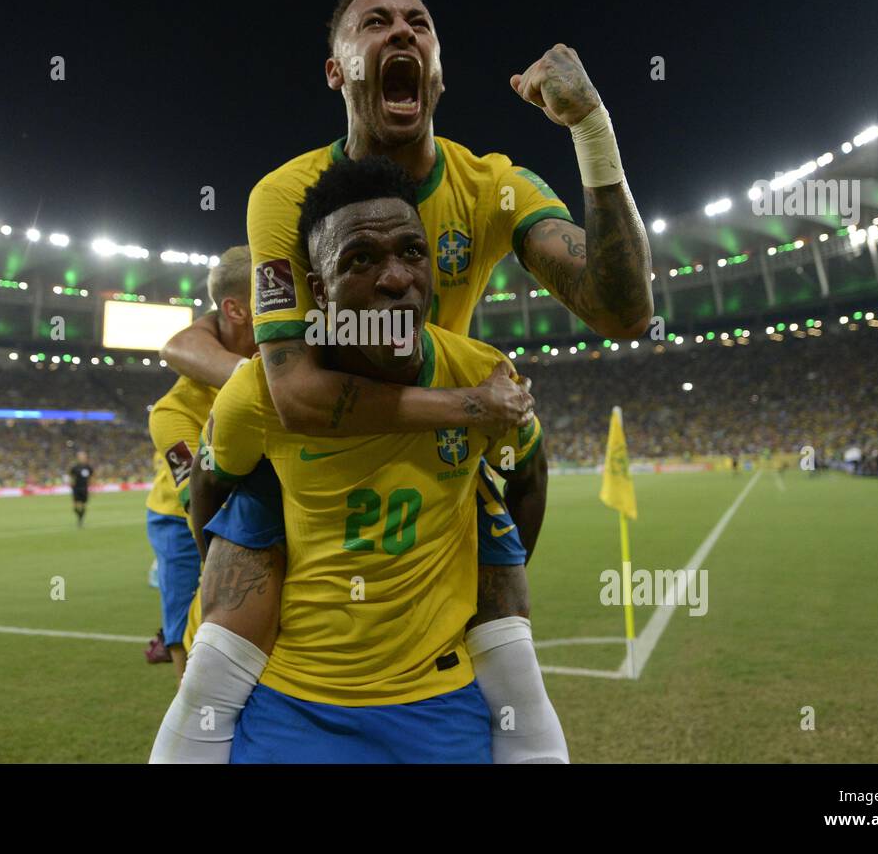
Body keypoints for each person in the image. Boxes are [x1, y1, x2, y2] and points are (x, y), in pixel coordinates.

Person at [159, 0, 653, 676]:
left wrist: (591, 128)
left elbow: (626, 310)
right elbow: (294, 392)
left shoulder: (494, 187)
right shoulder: (285, 195)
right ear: (337, 71)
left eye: (419, 24)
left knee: (503, 657)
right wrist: (471, 405)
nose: (402, 31)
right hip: (316, 451)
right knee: (222, 672)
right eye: (375, 22)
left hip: (438, 459)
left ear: (439, 74)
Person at [150, 156, 566, 763]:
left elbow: (529, 474)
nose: (396, 279)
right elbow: (211, 489)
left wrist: (482, 579)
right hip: (293, 701)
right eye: (361, 260)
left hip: (440, 700)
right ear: (318, 290)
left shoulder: (482, 372)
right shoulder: (259, 395)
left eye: (412, 253)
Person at [144, 245, 257, 680]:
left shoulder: (279, 363)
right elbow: (200, 497)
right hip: (182, 518)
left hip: (244, 506)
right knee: (189, 630)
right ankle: (189, 712)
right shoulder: (173, 411)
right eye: (270, 290)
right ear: (236, 309)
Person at [68, 450, 92, 527]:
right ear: (78, 458)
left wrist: (92, 487)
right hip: (76, 488)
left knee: (83, 505)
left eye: (84, 456)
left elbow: (92, 476)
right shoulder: (74, 467)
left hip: (84, 489)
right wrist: (71, 484)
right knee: (75, 507)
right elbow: (71, 476)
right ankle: (80, 518)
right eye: (81, 457)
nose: (82, 458)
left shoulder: (88, 467)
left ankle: (80, 521)